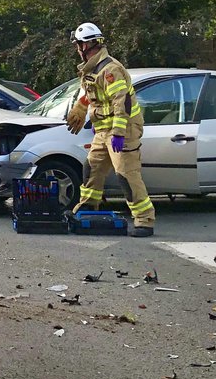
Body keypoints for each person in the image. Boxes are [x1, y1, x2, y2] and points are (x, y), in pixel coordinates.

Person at [64, 22, 155, 237]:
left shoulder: (110, 69)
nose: (77, 49)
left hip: (122, 130)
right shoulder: (92, 69)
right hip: (104, 131)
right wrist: (80, 107)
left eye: (78, 44)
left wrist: (118, 134)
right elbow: (93, 94)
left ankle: (145, 220)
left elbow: (121, 103)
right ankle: (88, 206)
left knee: (126, 174)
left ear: (88, 45)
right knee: (92, 168)